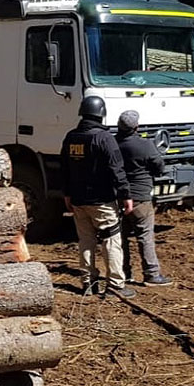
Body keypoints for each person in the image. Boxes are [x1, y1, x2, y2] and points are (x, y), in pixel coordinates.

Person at [61, 95, 136, 298]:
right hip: (102, 201)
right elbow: (116, 169)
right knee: (111, 241)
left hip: (77, 200)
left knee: (85, 241)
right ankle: (115, 285)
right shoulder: (104, 138)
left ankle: (88, 283)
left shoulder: (71, 137)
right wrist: (125, 195)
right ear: (101, 114)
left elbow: (65, 169)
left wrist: (67, 194)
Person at [115, 110, 172, 286]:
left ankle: (123, 273)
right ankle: (151, 274)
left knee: (119, 238)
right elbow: (159, 167)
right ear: (136, 127)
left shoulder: (113, 144)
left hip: (118, 197)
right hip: (141, 197)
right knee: (145, 236)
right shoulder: (145, 145)